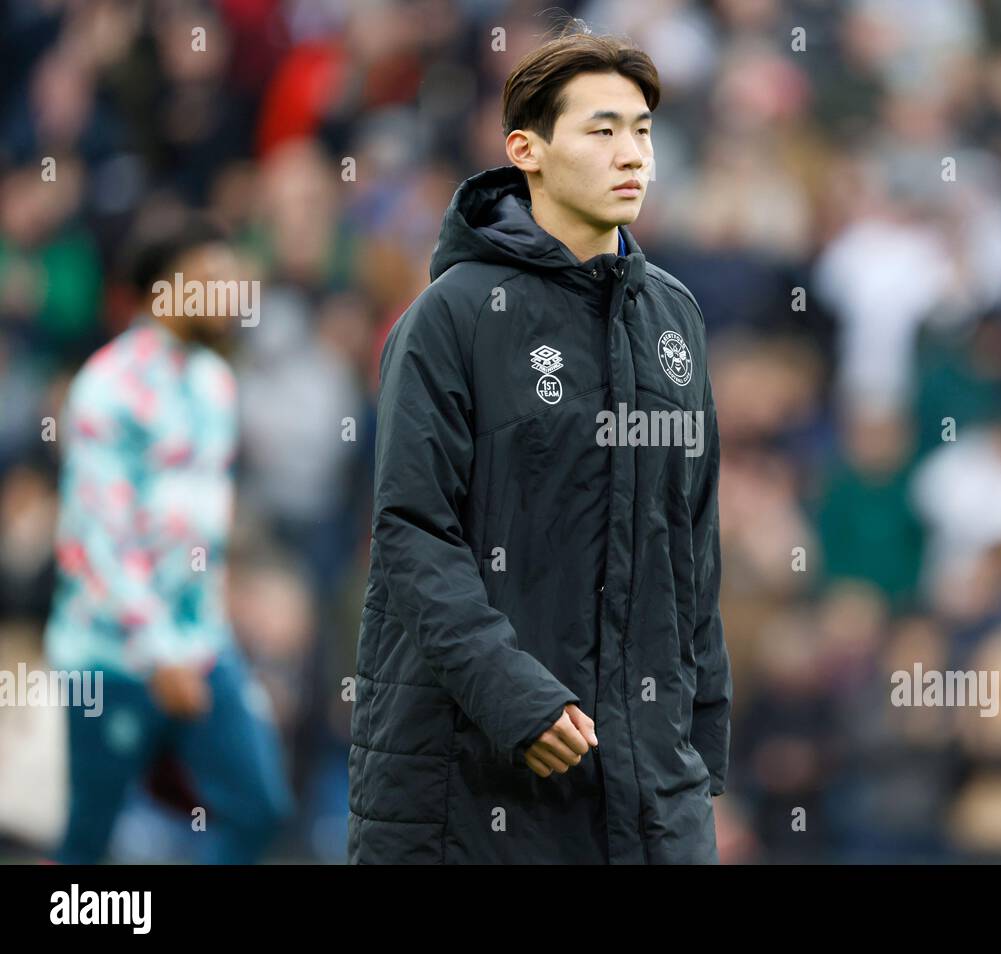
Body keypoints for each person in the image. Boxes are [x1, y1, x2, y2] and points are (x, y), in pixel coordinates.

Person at [348, 22, 732, 864]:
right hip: (475, 776)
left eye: (643, 131)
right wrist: (517, 699)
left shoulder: (677, 319)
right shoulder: (448, 318)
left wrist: (699, 737)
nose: (633, 153)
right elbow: (413, 532)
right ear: (527, 148)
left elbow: (692, 537)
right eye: (602, 130)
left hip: (650, 785)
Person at [45, 215, 294, 864]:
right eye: (210, 278)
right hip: (113, 656)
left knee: (260, 806)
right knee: (88, 842)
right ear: (164, 290)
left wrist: (217, 619)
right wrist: (159, 654)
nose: (229, 290)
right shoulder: (108, 385)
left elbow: (199, 529)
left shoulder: (215, 384)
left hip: (202, 646)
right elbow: (95, 540)